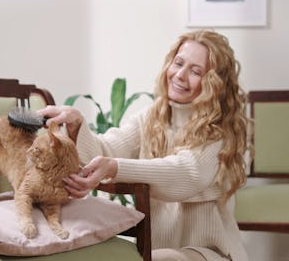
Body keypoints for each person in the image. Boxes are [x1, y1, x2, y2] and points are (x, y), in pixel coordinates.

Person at [38, 30, 251, 261]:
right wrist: (77, 126)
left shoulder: (220, 131)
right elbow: (106, 150)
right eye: (178, 63)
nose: (180, 75)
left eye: (196, 71)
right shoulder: (152, 116)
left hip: (209, 253)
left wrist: (113, 168)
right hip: (155, 251)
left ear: (214, 83)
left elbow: (185, 173)